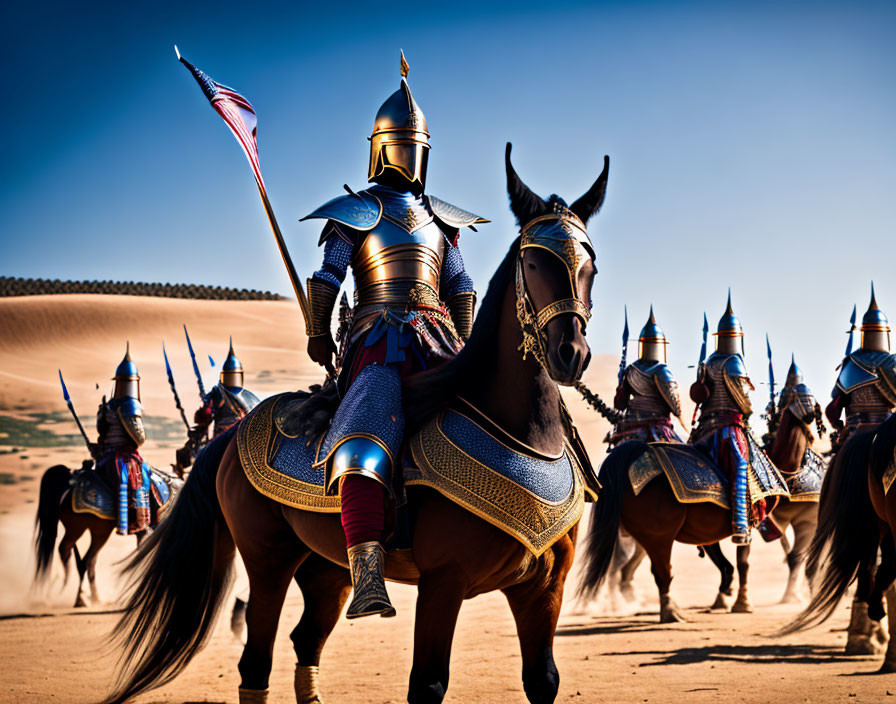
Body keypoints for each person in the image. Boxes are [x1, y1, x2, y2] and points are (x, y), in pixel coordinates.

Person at [299, 52, 487, 618]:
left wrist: (471, 348)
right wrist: (319, 331)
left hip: (438, 342)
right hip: (379, 341)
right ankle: (367, 571)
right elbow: (328, 276)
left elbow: (461, 290)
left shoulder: (441, 220)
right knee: (362, 440)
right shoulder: (355, 213)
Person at [689, 293, 759, 545]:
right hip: (728, 430)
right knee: (741, 466)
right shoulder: (734, 362)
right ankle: (741, 524)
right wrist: (748, 414)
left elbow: (699, 397)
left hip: (705, 431)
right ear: (737, 338)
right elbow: (744, 402)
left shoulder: (709, 362)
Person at [826, 285, 896, 453]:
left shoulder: (851, 364)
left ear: (863, 333)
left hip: (854, 434)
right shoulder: (892, 363)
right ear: (885, 334)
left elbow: (834, 406)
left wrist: (839, 426)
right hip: (888, 432)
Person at [174, 339, 261, 475]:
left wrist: (203, 413)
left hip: (221, 442)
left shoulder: (217, 395)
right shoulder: (250, 398)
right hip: (244, 445)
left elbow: (203, 419)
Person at [93, 345, 151, 535]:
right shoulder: (129, 405)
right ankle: (131, 521)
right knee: (135, 478)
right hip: (122, 457)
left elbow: (102, 433)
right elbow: (139, 438)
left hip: (105, 456)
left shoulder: (108, 406)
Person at [610, 306, 684, 446]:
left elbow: (620, 404)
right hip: (657, 429)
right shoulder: (662, 371)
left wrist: (620, 385)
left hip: (630, 429)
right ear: (660, 346)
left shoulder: (631, 370)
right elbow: (675, 408)